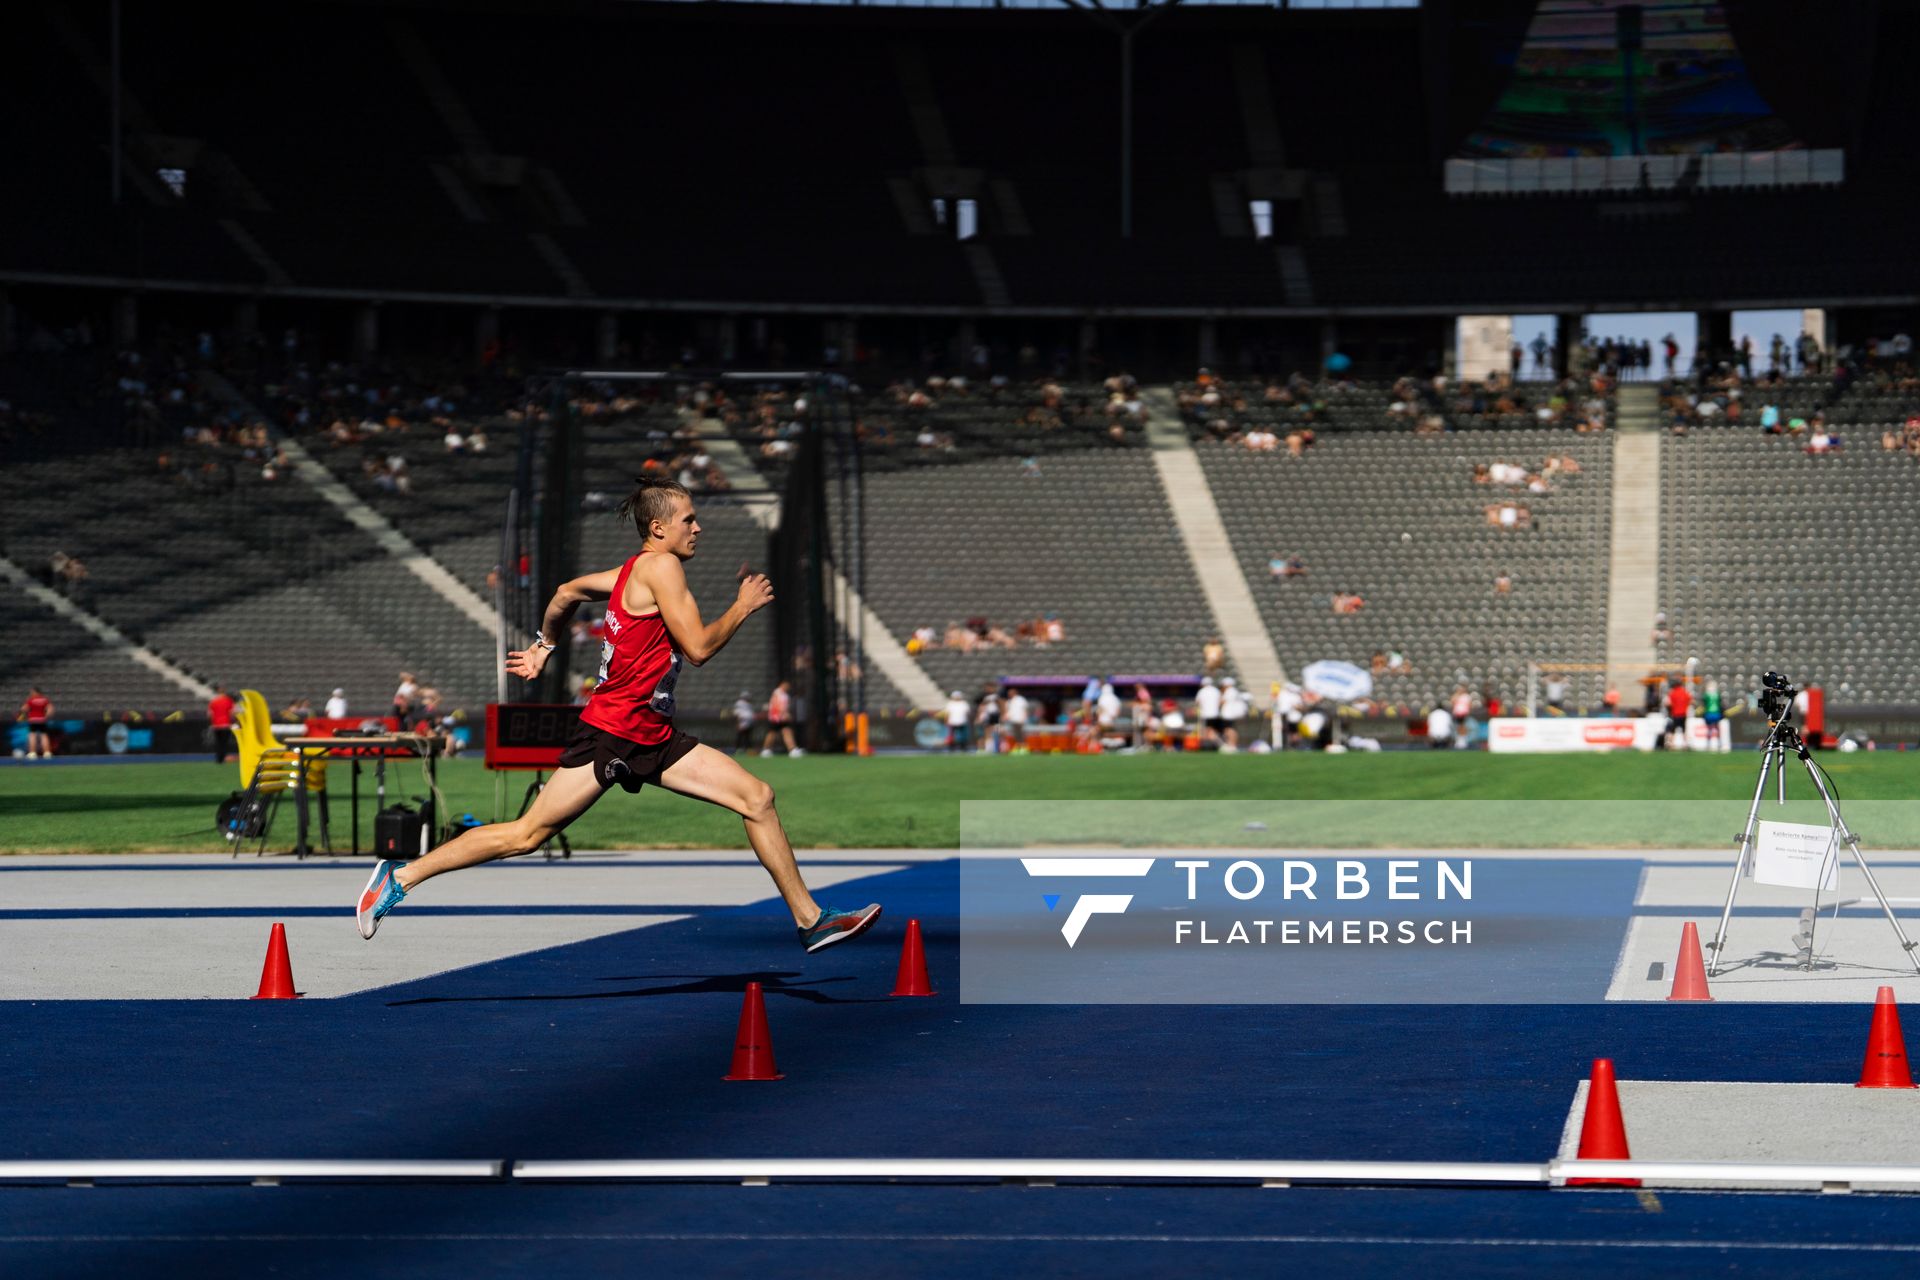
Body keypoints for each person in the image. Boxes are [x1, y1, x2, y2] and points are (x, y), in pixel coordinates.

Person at [355, 477, 880, 954]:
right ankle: (399, 877)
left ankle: (811, 920)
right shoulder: (662, 566)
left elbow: (565, 592)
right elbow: (697, 649)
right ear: (659, 528)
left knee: (757, 798)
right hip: (613, 731)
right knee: (526, 835)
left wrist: (544, 645)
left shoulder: (632, 570)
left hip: (650, 733)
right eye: (688, 519)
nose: (698, 527)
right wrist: (742, 606)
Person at [762, 680, 800, 757]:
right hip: (776, 717)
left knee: (787, 731)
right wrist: (785, 713)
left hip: (781, 717)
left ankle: (792, 749)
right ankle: (766, 749)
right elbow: (777, 705)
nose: (788, 687)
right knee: (772, 734)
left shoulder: (784, 694)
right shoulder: (777, 693)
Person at [18, 686, 53, 759]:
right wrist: (46, 716)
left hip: (33, 720)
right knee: (44, 736)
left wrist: (22, 716)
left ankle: (32, 753)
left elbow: (24, 709)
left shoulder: (31, 700)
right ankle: (47, 753)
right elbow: (50, 709)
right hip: (42, 720)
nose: (31, 693)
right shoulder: (45, 700)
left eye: (32, 692)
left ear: (35, 692)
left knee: (32, 736)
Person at [207, 684, 237, 764]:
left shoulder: (213, 701)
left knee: (218, 742)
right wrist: (233, 721)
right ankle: (222, 759)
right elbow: (232, 713)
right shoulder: (229, 700)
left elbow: (209, 714)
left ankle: (218, 759)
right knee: (224, 743)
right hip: (226, 725)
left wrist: (213, 721)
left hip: (216, 726)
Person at [1219, 677, 1249, 751]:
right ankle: (1231, 744)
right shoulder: (1234, 691)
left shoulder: (1230, 691)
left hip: (1229, 715)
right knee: (1229, 729)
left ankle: (1232, 745)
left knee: (1230, 729)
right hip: (1231, 714)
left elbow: (1223, 701)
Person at [1194, 676, 1225, 746]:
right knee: (1212, 730)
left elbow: (1197, 702)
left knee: (1207, 731)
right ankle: (1214, 744)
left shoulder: (1201, 691)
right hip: (1216, 714)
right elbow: (1221, 701)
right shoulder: (1216, 690)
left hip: (1205, 714)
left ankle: (1217, 744)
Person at [1003, 686, 1030, 753]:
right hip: (1013, 720)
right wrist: (1006, 717)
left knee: (1020, 734)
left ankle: (1023, 748)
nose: (1009, 694)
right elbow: (1009, 711)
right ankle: (1019, 747)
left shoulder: (1020, 699)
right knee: (1016, 735)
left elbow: (1025, 709)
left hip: (1020, 719)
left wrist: (1024, 717)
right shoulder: (1009, 701)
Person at [1701, 678, 1725, 751]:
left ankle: (1708, 744)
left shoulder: (1706, 694)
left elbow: (1704, 703)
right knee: (1717, 728)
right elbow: (1720, 704)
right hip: (1716, 713)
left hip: (1708, 713)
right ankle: (1720, 744)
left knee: (1709, 729)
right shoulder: (1717, 694)